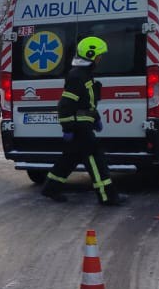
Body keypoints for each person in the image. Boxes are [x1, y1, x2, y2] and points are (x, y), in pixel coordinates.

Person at [41, 36, 125, 206]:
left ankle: (51, 188)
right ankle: (107, 196)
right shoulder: (77, 76)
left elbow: (87, 103)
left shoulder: (84, 75)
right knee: (95, 159)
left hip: (83, 125)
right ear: (91, 54)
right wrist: (67, 128)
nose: (101, 59)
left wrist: (96, 119)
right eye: (99, 55)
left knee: (70, 158)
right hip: (79, 128)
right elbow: (65, 105)